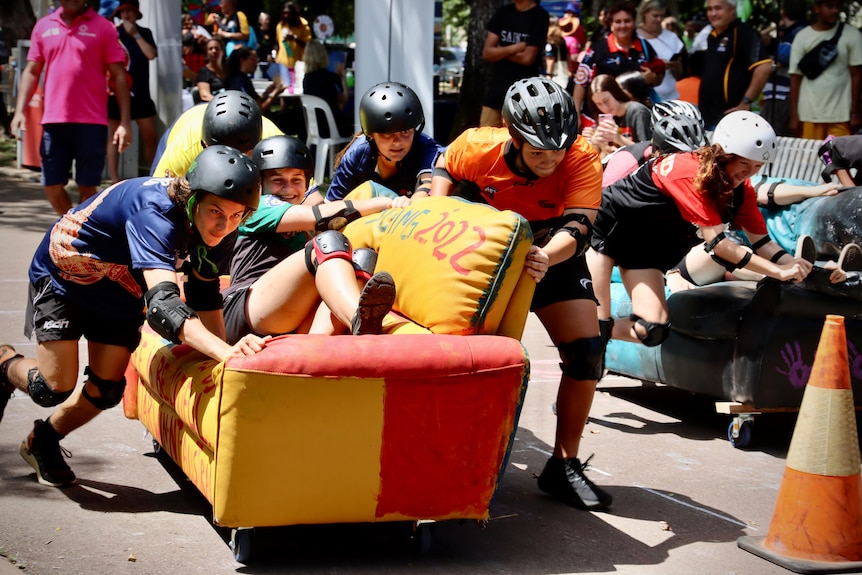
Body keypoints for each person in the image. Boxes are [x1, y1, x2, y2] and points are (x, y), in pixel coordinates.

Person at [0, 145, 270, 487]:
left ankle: (44, 441)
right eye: (216, 210)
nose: (224, 225)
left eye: (236, 216)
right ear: (192, 198)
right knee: (52, 388)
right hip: (66, 277)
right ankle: (5, 363)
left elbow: (204, 295)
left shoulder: (223, 228)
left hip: (119, 286)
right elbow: (164, 308)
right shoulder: (153, 212)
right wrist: (226, 352)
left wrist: (226, 355)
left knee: (106, 390)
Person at [431, 76, 612, 511]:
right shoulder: (477, 145)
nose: (550, 160)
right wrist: (437, 210)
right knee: (460, 357)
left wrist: (547, 256)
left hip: (549, 249)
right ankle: (444, 458)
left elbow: (581, 225)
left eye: (558, 150)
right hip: (482, 247)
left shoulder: (582, 156)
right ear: (513, 137)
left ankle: (564, 465)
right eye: (537, 151)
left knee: (588, 352)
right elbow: (441, 177)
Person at [590, 111, 812, 351]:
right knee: (596, 328)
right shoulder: (689, 171)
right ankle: (590, 333)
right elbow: (719, 245)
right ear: (724, 155)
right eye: (744, 163)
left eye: (757, 166)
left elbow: (763, 243)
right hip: (606, 234)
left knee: (652, 330)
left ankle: (591, 333)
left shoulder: (741, 190)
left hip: (642, 248)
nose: (749, 172)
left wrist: (799, 267)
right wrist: (777, 272)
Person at [222, 135, 410, 344]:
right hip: (242, 310)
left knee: (361, 260)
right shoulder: (258, 207)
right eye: (277, 181)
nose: (288, 189)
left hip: (290, 318)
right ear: (259, 184)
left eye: (296, 180)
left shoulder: (303, 227)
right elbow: (322, 217)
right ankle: (359, 320)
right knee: (327, 243)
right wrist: (385, 202)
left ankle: (316, 347)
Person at [9, 0, 131, 216]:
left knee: (88, 187)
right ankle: (72, 228)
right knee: (51, 184)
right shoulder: (44, 26)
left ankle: (77, 235)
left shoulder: (104, 27)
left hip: (92, 122)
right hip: (53, 121)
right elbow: (31, 70)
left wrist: (124, 122)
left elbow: (119, 75)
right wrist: (20, 111)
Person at [322, 82, 442, 202]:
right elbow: (331, 207)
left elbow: (429, 185)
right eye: (387, 133)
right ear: (372, 135)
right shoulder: (356, 155)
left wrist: (411, 203)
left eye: (405, 131)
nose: (397, 142)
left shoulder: (427, 148)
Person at [151, 90, 282, 179]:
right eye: (221, 155)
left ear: (255, 147)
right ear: (205, 145)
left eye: (242, 154)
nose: (230, 164)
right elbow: (155, 195)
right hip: (184, 125)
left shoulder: (274, 143)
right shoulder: (184, 147)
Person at [573, 1, 665, 114]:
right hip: (603, 116)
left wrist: (653, 78)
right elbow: (581, 82)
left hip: (637, 115)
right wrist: (576, 112)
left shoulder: (645, 47)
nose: (623, 25)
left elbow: (659, 78)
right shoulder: (598, 49)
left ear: (634, 22)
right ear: (611, 25)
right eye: (618, 21)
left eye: (627, 21)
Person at [788, 0, 862, 139]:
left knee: (838, 159)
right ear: (817, 8)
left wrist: (855, 113)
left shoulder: (852, 35)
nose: (835, 10)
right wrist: (794, 116)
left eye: (837, 6)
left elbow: (856, 75)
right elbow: (795, 78)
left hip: (841, 116)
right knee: (809, 159)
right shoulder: (802, 37)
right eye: (829, 6)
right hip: (808, 115)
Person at [697, 0, 772, 130]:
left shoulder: (743, 32)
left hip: (730, 120)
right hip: (708, 118)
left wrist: (745, 102)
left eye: (718, 8)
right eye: (709, 9)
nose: (713, 13)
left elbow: (764, 67)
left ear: (732, 9)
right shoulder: (713, 35)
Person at [107, 0, 158, 184]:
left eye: (130, 11)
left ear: (137, 13)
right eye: (123, 11)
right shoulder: (113, 33)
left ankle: (152, 177)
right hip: (117, 92)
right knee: (114, 136)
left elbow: (151, 54)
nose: (127, 14)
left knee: (150, 136)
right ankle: (114, 179)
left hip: (140, 93)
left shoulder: (144, 33)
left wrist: (135, 35)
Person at [480, 0, 549, 127]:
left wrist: (500, 51)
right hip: (496, 92)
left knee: (517, 142)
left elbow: (527, 58)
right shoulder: (503, 12)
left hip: (523, 96)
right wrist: (515, 48)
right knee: (485, 139)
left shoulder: (539, 15)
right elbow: (487, 53)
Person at [759, 0, 808, 136]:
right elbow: (762, 37)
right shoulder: (791, 32)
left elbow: (784, 57)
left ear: (783, 12)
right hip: (780, 96)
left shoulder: (796, 33)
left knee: (771, 137)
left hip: (782, 96)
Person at [636, 0, 685, 102]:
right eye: (655, 15)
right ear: (644, 13)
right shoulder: (635, 37)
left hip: (671, 98)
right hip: (645, 99)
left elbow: (679, 75)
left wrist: (675, 66)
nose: (659, 20)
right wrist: (659, 66)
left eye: (662, 16)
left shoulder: (671, 37)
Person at [302, 39, 352, 137]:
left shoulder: (306, 79)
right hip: (332, 125)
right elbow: (344, 100)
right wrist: (342, 77)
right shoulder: (331, 78)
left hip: (315, 126)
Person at [590, 73, 653, 147]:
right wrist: (596, 143)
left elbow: (647, 150)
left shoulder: (637, 111)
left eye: (606, 101)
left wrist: (619, 139)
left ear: (615, 94)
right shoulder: (609, 118)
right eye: (599, 104)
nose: (605, 107)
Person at [225, 46, 285, 114]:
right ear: (242, 61)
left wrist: (267, 93)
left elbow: (253, 102)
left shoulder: (243, 78)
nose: (256, 63)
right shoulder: (239, 81)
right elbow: (259, 110)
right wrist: (275, 94)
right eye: (253, 59)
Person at [274, 2, 312, 94]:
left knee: (297, 90)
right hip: (283, 63)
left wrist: (294, 38)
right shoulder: (280, 25)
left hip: (298, 65)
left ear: (294, 13)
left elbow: (308, 44)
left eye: (288, 13)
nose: (286, 15)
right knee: (283, 89)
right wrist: (275, 57)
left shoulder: (303, 25)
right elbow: (277, 43)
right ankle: (284, 108)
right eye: (284, 13)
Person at [195, 37, 228, 103]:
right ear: (207, 53)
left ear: (222, 51)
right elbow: (205, 95)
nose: (214, 51)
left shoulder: (229, 69)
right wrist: (222, 102)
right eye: (210, 49)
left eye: (216, 48)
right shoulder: (203, 72)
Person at [182, 12, 210, 77]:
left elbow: (208, 40)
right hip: (188, 57)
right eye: (188, 20)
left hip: (200, 56)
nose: (191, 21)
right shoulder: (181, 31)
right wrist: (192, 34)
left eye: (191, 19)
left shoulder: (198, 29)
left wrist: (203, 39)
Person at [255, 11, 276, 78]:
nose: (267, 22)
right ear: (260, 21)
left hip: (269, 60)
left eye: (268, 20)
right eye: (265, 20)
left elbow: (275, 46)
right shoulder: (256, 32)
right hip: (258, 60)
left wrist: (272, 56)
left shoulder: (272, 32)